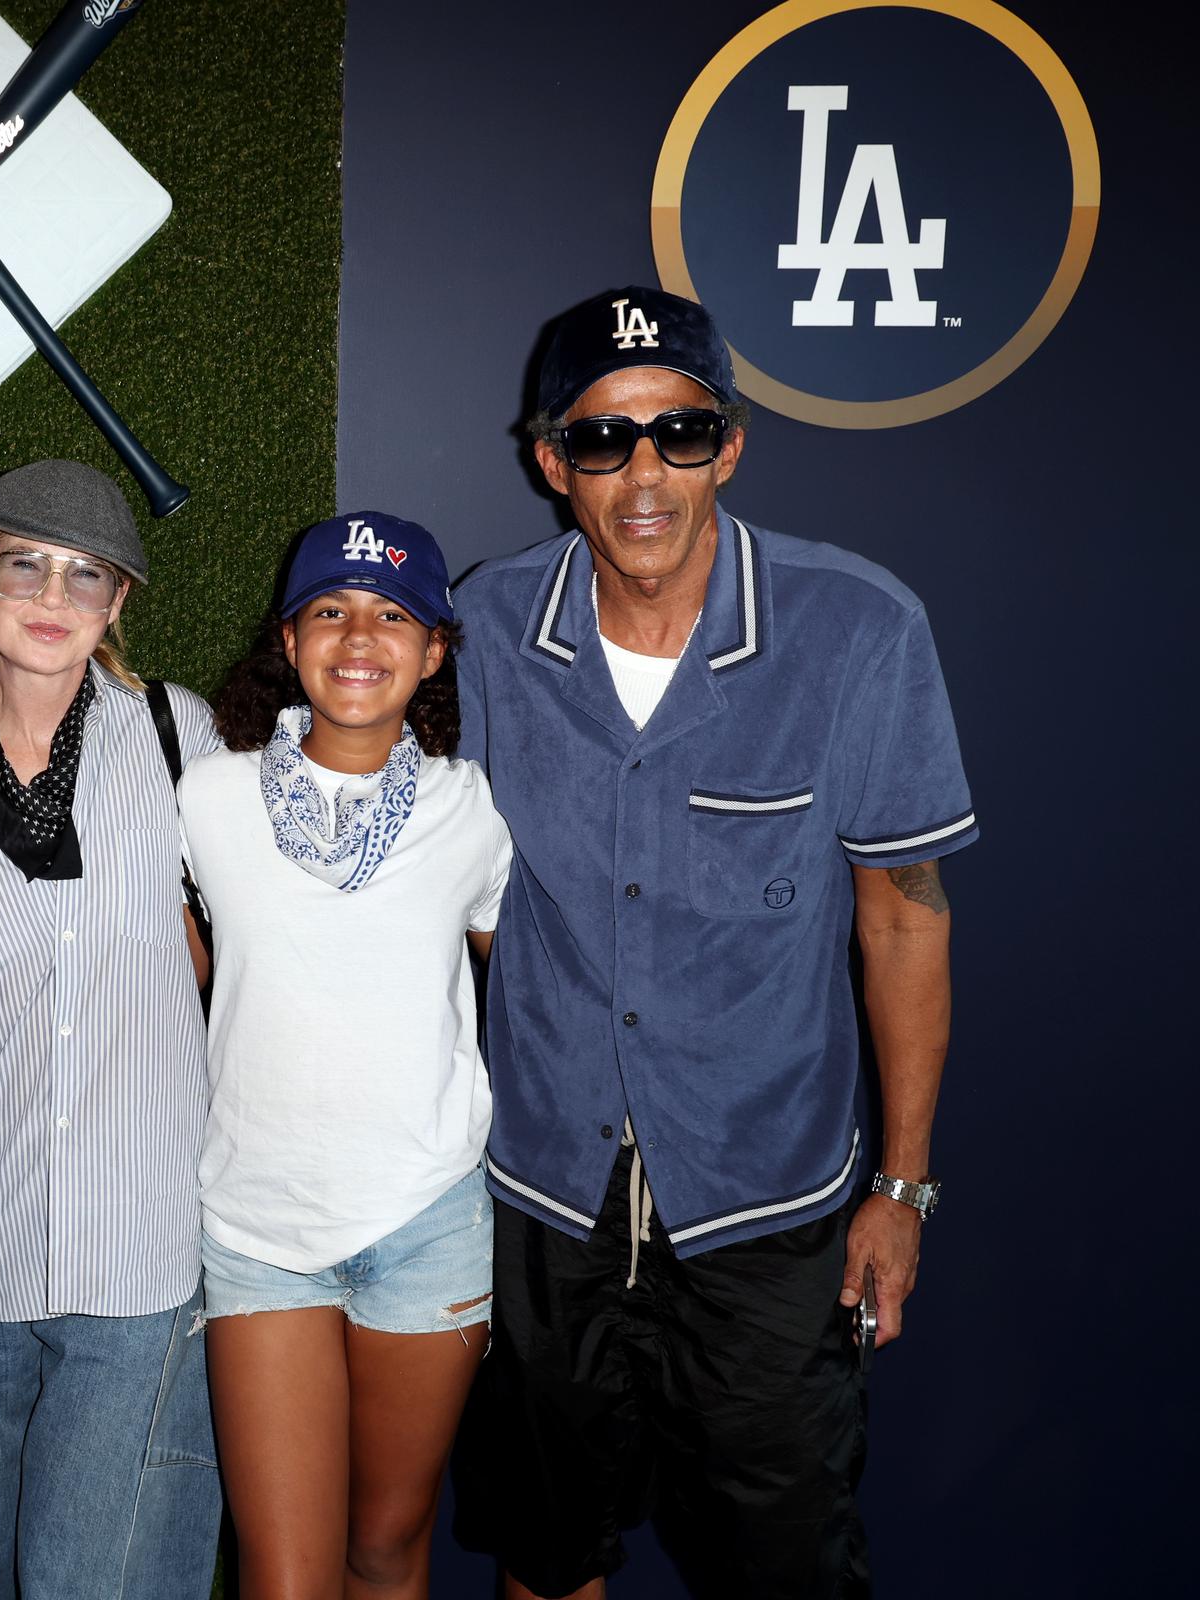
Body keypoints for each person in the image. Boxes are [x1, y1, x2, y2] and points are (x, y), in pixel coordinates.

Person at [448, 287, 976, 1600]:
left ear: (729, 445)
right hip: (545, 1202)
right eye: (603, 438)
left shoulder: (858, 628)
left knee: (786, 1566)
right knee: (547, 1549)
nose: (643, 473)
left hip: (768, 1209)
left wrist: (902, 1192)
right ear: (548, 460)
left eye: (679, 433)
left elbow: (905, 920)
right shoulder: (488, 632)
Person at [0, 459, 223, 1600]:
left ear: (120, 601)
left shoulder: (182, 740)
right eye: (23, 563)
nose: (52, 593)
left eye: (86, 574)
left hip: (145, 1247)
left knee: (103, 1581)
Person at [182, 512, 512, 1600]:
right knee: (284, 1580)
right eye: (329, 609)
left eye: (392, 615)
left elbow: (552, 976)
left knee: (384, 1549)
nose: (358, 635)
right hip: (257, 1228)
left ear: (434, 651)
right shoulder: (210, 796)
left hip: (426, 1220)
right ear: (287, 640)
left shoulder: (476, 810)